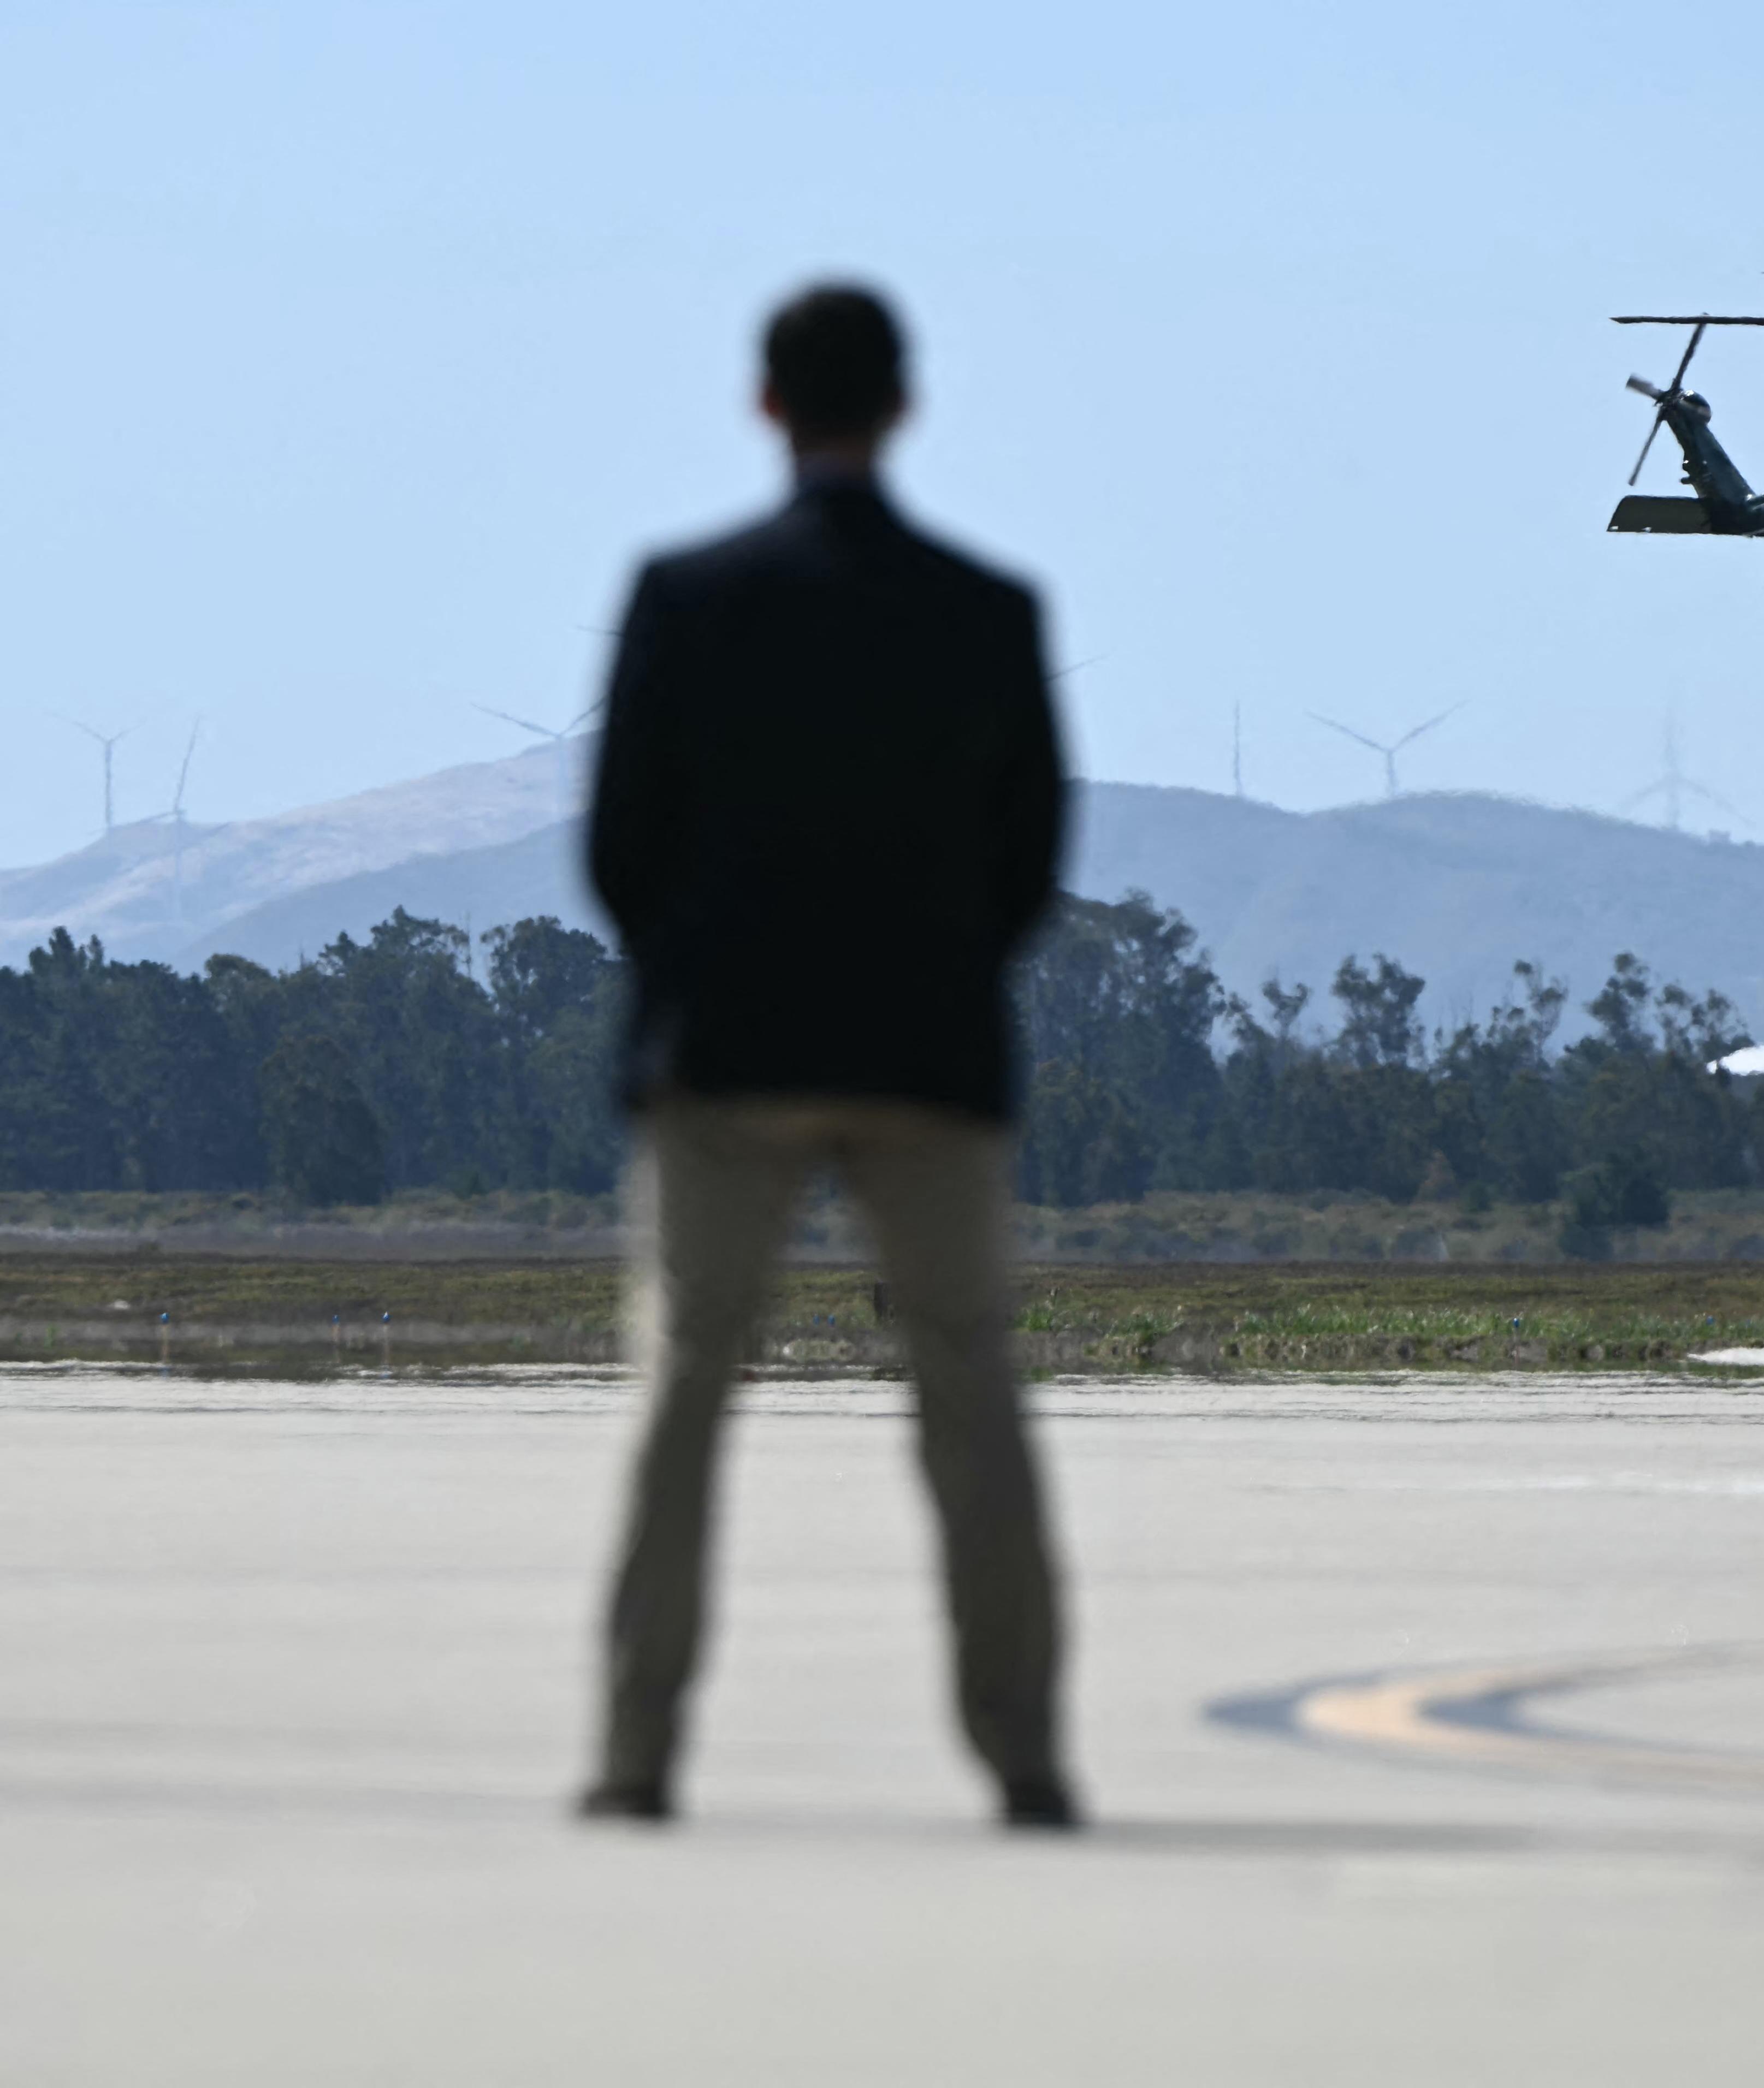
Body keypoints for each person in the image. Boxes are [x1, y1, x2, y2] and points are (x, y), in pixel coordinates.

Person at [577, 283, 1076, 1829]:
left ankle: (637, 1752)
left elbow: (619, 844)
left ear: (768, 406)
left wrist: (701, 974)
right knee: (968, 1389)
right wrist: (935, 967)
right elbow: (1031, 851)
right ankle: (1024, 1756)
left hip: (727, 1054)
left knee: (687, 1389)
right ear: (903, 407)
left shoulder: (685, 594)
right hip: (928, 1054)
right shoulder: (989, 611)